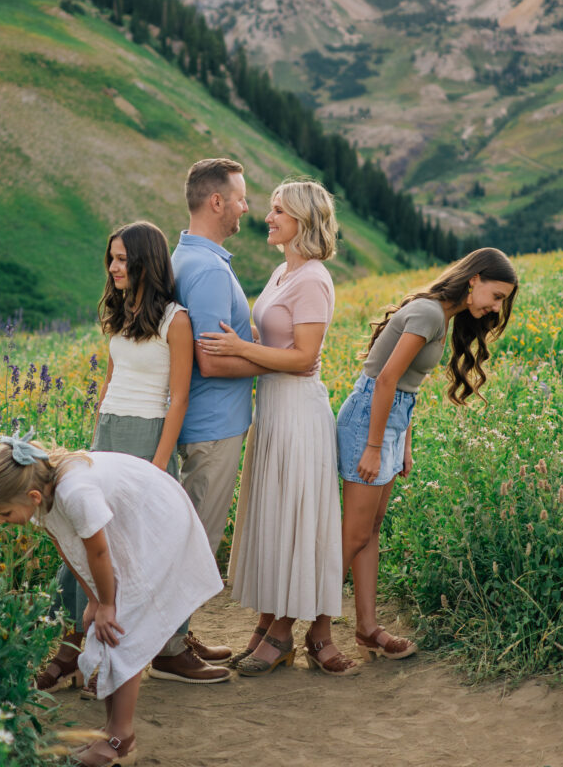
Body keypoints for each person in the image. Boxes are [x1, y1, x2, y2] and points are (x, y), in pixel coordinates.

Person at [0, 432, 222, 767]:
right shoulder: (42, 496)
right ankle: (111, 733)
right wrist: (93, 598)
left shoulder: (76, 492)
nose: (0, 522)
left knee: (122, 629)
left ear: (31, 495)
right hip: (131, 522)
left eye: (3, 513)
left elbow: (99, 550)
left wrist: (108, 605)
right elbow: (69, 549)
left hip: (160, 521)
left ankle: (121, 741)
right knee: (110, 625)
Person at [199, 180, 358, 676]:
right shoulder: (280, 271)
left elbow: (305, 357)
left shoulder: (312, 278)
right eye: (269, 209)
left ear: (303, 222)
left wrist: (241, 350)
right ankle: (269, 625)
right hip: (272, 409)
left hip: (298, 413)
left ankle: (283, 632)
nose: (267, 217)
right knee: (275, 516)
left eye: (278, 211)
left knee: (295, 517)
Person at [37, 221, 195, 694]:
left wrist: (159, 463)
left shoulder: (176, 319)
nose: (113, 267)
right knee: (84, 539)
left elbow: (179, 398)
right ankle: (71, 647)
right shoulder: (121, 312)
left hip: (147, 437)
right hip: (107, 433)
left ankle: (112, 656)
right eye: (112, 258)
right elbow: (111, 379)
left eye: (123, 259)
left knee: (126, 549)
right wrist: (93, 442)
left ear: (147, 259)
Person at [337, 247, 518, 661]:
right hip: (369, 420)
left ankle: (367, 628)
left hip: (388, 423)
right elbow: (384, 381)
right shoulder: (430, 313)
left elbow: (407, 388)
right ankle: (312, 630)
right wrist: (372, 445)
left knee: (370, 532)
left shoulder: (443, 315)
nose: (496, 306)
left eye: (502, 300)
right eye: (496, 294)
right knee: (353, 537)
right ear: (474, 279)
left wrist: (404, 445)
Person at [148, 157, 266, 684]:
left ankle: (177, 636)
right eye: (240, 196)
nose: (247, 206)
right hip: (214, 424)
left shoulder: (187, 258)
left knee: (188, 533)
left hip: (202, 420)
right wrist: (271, 359)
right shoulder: (210, 269)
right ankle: (170, 651)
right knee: (196, 539)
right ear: (216, 201)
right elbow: (212, 359)